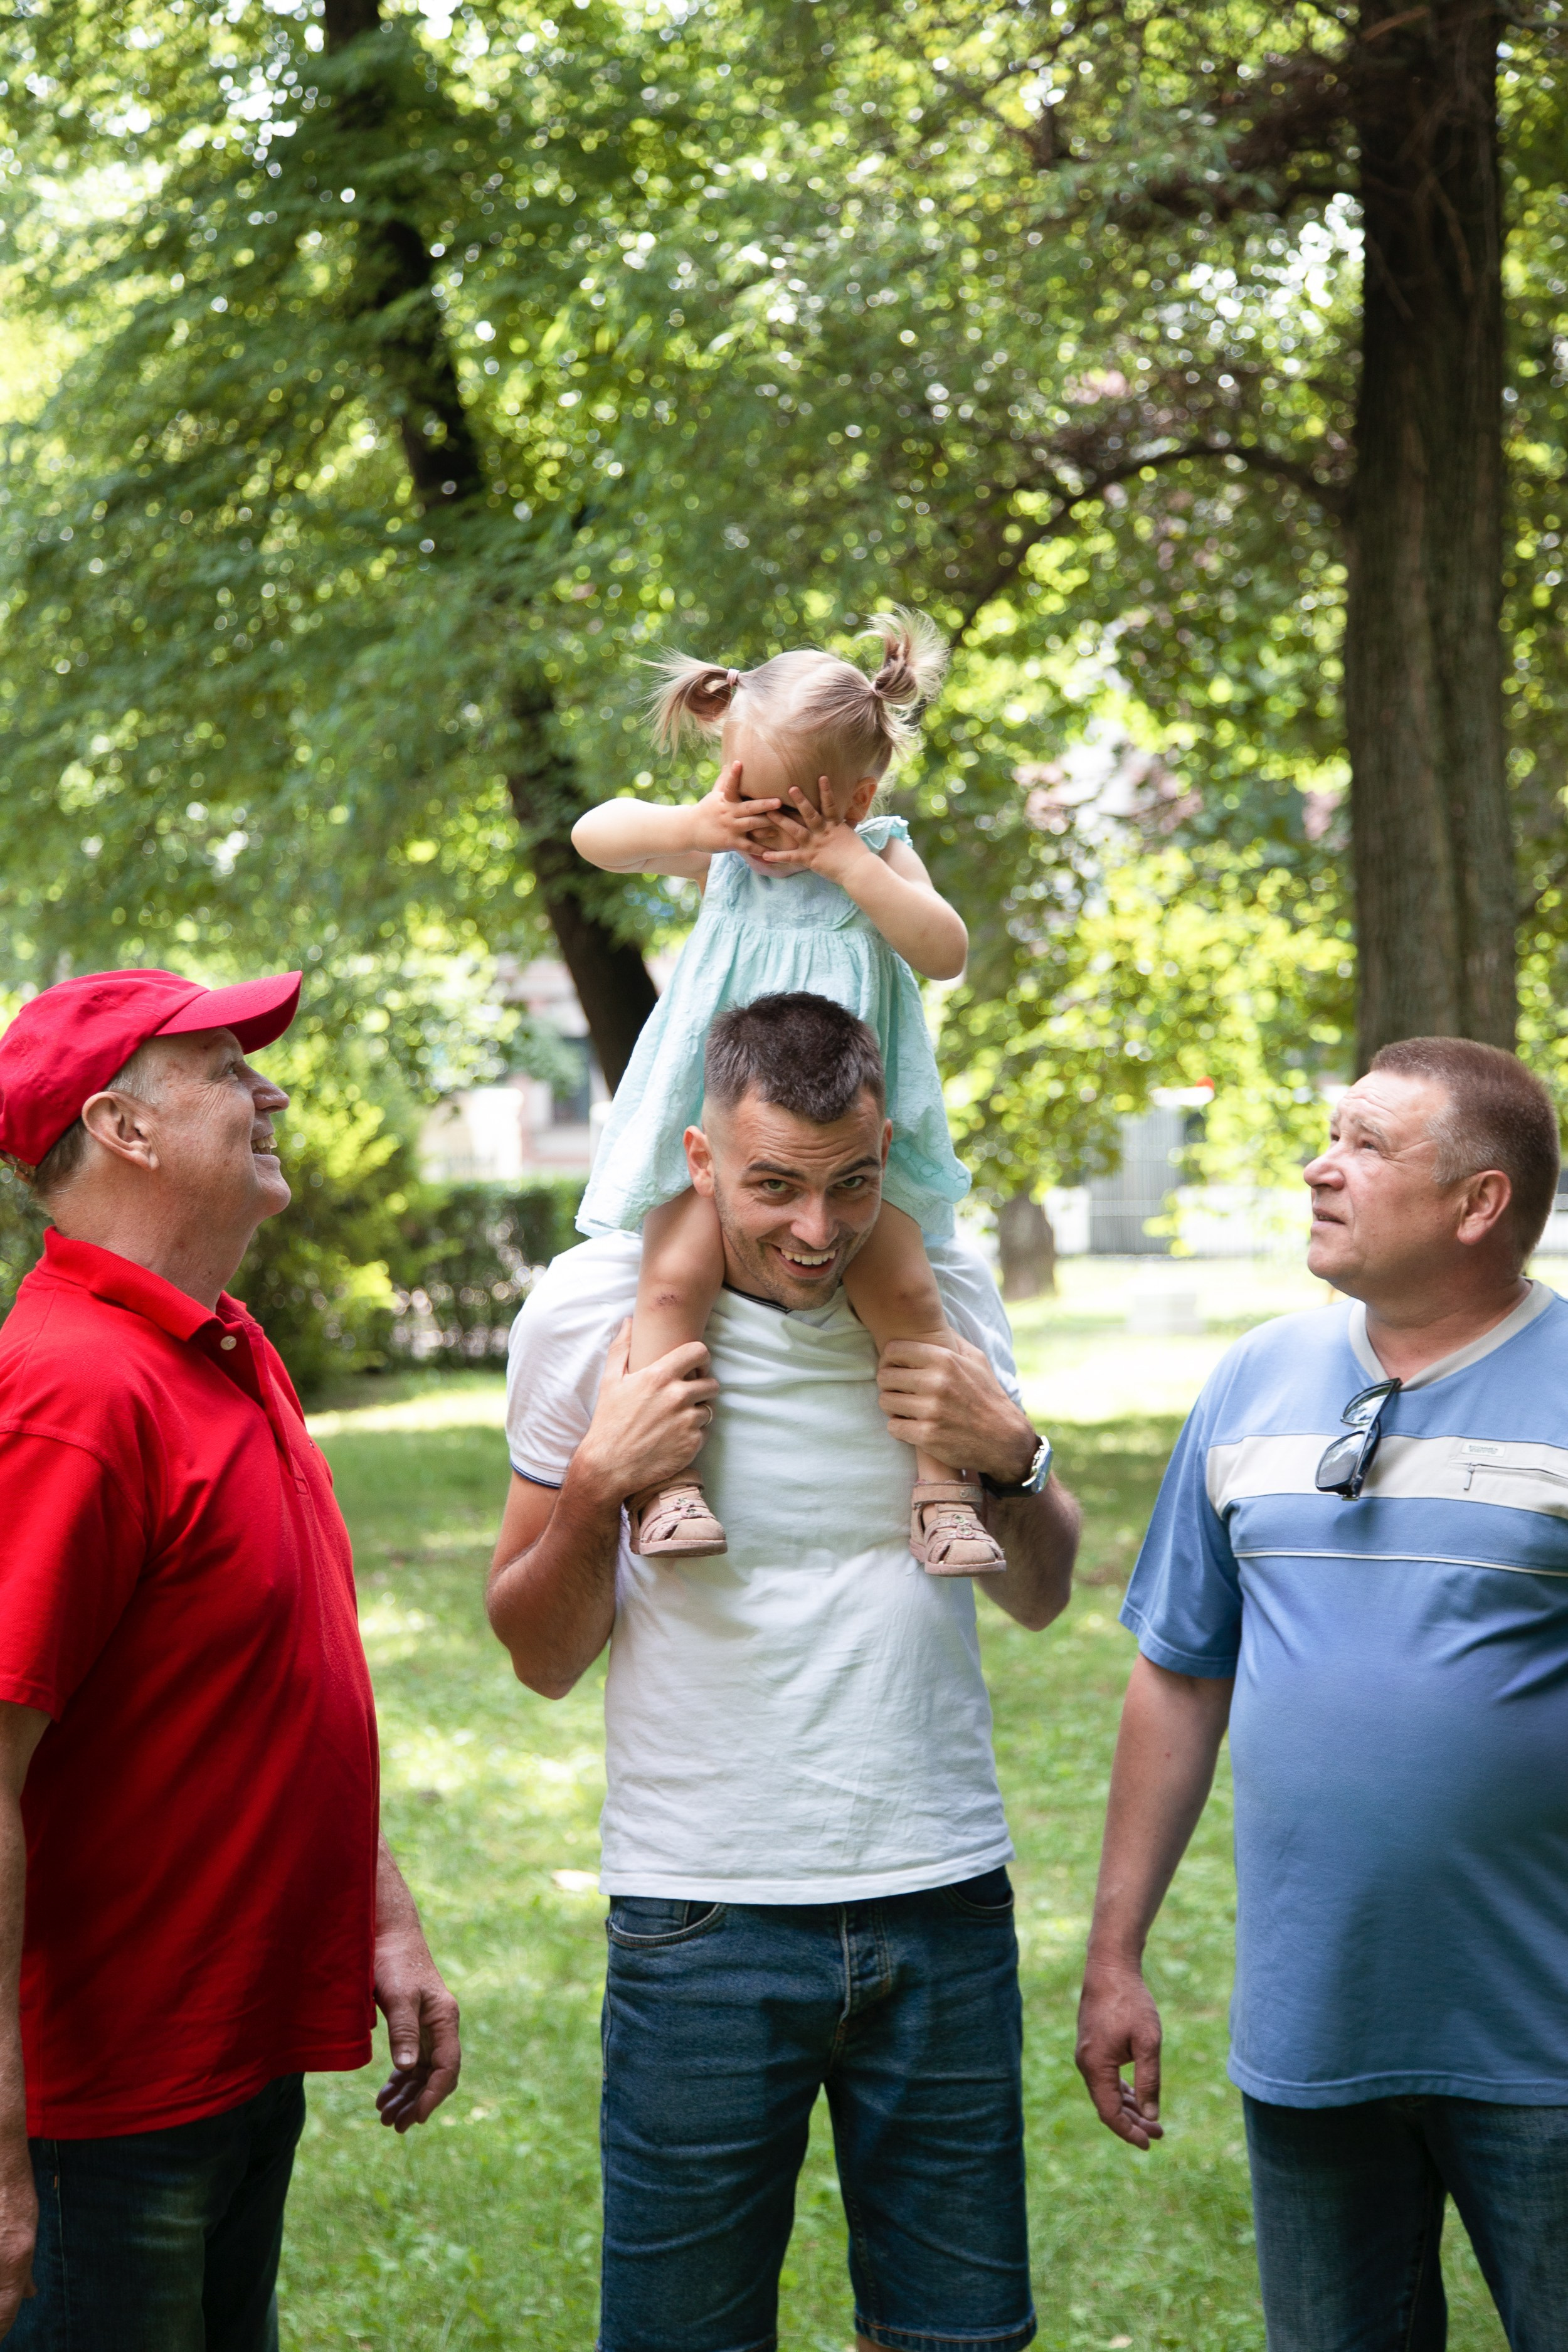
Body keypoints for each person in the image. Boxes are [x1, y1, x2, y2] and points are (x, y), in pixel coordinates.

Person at [489, 992, 1079, 2352]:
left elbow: (1042, 1597)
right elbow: (536, 1653)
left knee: (960, 2338)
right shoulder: (591, 1313)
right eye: (772, 1189)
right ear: (699, 1162)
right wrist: (596, 1489)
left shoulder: (946, 1295)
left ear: (888, 1151)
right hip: (701, 1914)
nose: (816, 1232)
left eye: (850, 1185)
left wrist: (1013, 1455)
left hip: (940, 1896)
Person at [1075, 1036, 1568, 2352]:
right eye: (1326, 1137)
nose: (1317, 1167)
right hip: (1315, 2033)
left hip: (1546, 2045)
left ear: (1477, 1206)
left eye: (1362, 1145)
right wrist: (1113, 1957)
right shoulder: (1252, 1381)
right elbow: (1179, 1677)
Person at [0, 967, 460, 2352]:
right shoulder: (72, 1390)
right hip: (106, 2111)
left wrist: (379, 1915)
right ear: (124, 1129)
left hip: (227, 2063)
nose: (270, 1091)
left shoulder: (219, 1344)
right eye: (223, 1068)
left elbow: (274, 1684)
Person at [568, 609, 1005, 1575]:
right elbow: (593, 835)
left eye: (789, 814)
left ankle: (942, 1491)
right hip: (733, 1150)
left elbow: (946, 950)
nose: (764, 835)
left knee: (906, 1287)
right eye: (745, 802)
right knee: (672, 1279)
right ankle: (668, 1483)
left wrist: (852, 863)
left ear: (858, 795)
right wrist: (696, 823)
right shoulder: (725, 850)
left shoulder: (877, 853)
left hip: (843, 1158)